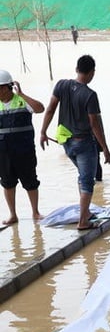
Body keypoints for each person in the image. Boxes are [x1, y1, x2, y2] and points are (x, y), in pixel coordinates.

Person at [39, 54, 110, 230]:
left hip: (66, 143)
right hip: (83, 143)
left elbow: (49, 110)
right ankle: (83, 221)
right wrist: (105, 148)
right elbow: (95, 124)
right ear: (92, 72)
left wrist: (42, 132)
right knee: (87, 181)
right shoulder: (90, 95)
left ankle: (85, 212)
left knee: (82, 176)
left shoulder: (61, 85)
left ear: (77, 69)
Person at [0, 71, 46, 225]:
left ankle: (35, 212)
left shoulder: (21, 100)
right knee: (7, 183)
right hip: (3, 153)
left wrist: (22, 94)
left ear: (9, 87)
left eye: (0, 88)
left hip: (24, 151)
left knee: (30, 181)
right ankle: (13, 215)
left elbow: (40, 108)